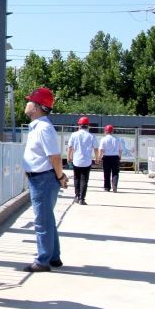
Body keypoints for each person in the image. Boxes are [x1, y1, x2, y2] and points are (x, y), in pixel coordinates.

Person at [21, 87, 68, 273]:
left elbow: (54, 156)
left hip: (43, 179)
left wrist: (60, 176)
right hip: (41, 178)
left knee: (42, 221)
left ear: (37, 107)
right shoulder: (39, 127)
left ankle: (43, 260)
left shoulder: (43, 128)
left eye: (29, 101)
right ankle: (53, 256)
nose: (26, 104)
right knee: (47, 218)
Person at [67, 116, 97, 205]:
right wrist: (97, 158)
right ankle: (82, 199)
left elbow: (70, 147)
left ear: (79, 125)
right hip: (87, 161)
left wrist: (69, 157)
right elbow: (95, 148)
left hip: (76, 160)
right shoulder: (91, 136)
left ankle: (77, 196)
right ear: (88, 125)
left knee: (76, 178)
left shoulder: (74, 135)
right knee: (84, 180)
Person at [97, 124, 123, 192]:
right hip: (115, 157)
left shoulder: (103, 139)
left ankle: (107, 187)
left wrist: (99, 157)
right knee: (115, 173)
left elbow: (101, 149)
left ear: (106, 131)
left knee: (106, 173)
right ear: (112, 131)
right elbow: (120, 150)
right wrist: (119, 157)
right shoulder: (117, 139)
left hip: (106, 157)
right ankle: (115, 186)